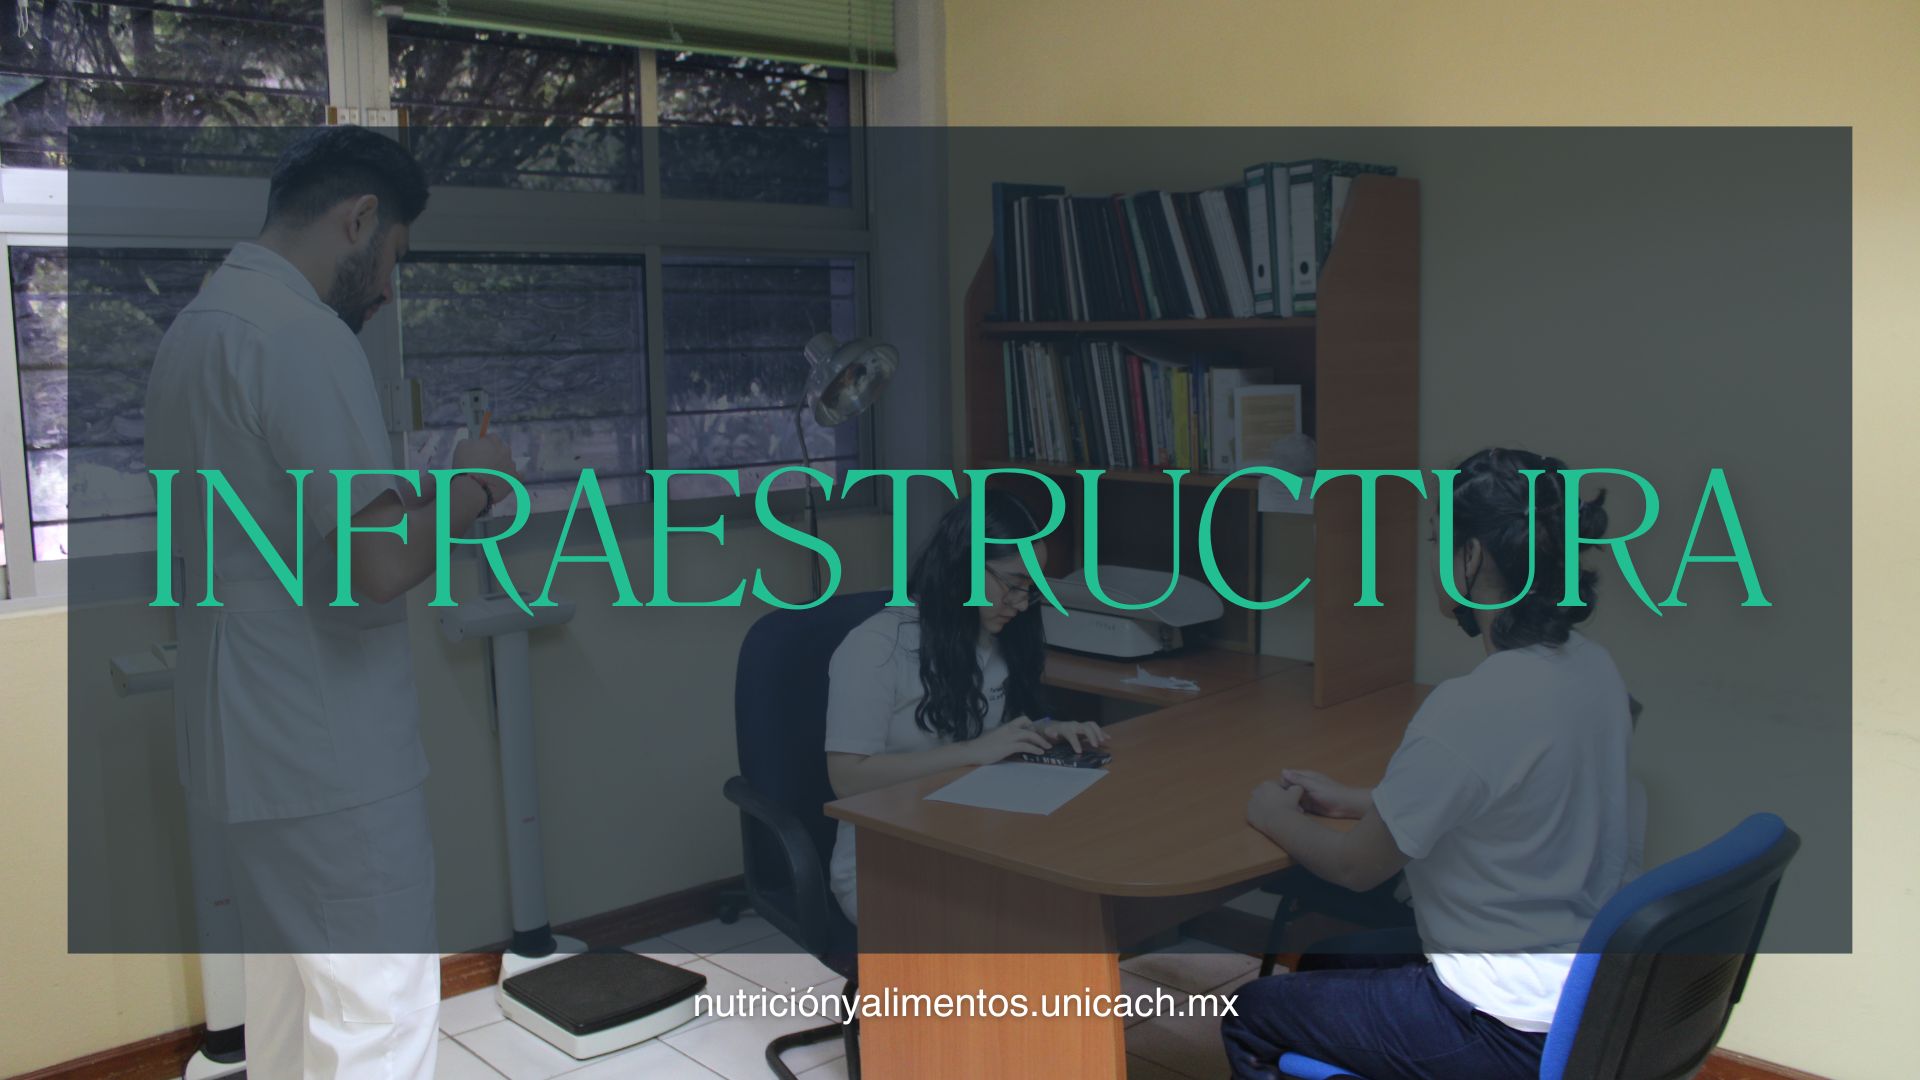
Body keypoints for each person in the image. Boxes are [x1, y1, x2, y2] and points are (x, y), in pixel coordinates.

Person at [144, 125, 519, 1079]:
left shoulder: (197, 331)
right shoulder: (302, 337)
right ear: (358, 220)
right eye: (392, 256)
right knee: (375, 1019)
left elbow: (270, 524)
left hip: (243, 740)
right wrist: (477, 488)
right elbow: (376, 564)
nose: (388, 288)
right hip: (327, 752)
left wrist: (432, 494)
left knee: (289, 1008)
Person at [1221, 449, 1633, 1080]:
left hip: (1501, 1024)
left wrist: (1271, 814)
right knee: (1330, 961)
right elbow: (1521, 792)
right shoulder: (1592, 666)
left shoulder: (1472, 705)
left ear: (1472, 558)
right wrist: (1363, 801)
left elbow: (1355, 867)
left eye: (1440, 541)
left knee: (1251, 1011)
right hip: (1581, 997)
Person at [823, 491, 1106, 922]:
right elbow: (847, 779)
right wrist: (972, 751)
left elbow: (993, 732)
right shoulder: (876, 647)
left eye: (1031, 588)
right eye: (1013, 583)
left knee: (1075, 896)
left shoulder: (995, 637)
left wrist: (1041, 732)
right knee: (1030, 918)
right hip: (886, 859)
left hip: (975, 837)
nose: (1020, 603)